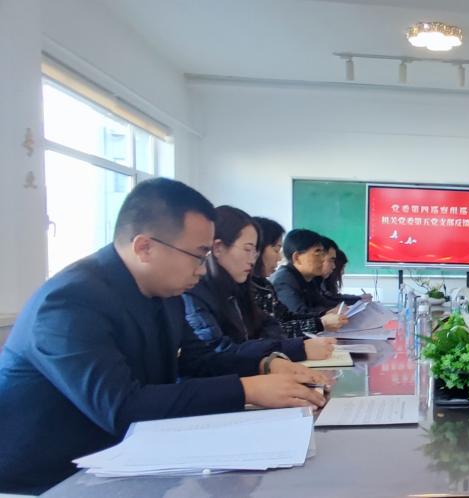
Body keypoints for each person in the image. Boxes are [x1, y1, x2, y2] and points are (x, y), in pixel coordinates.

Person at [0, 179, 328, 493]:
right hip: (50, 480)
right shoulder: (70, 302)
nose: (203, 269)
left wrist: (265, 365)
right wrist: (247, 389)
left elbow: (201, 360)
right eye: (198, 255)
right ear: (144, 247)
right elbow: (122, 408)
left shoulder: (164, 290)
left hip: (128, 462)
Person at [182, 206, 336, 361]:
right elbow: (218, 353)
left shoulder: (240, 286)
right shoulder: (194, 292)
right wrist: (296, 347)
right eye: (247, 249)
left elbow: (271, 325)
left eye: (255, 251)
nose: (253, 259)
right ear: (218, 248)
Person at [251, 217, 346, 338]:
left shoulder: (264, 284)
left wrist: (325, 314)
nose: (279, 258)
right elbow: (275, 331)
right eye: (276, 250)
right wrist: (321, 323)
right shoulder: (283, 280)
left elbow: (287, 317)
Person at [270, 229, 336, 315]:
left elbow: (323, 303)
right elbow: (298, 314)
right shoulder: (283, 280)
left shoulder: (308, 278)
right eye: (317, 253)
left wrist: (337, 309)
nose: (323, 259)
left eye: (323, 254)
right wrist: (326, 314)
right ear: (297, 257)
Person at [317, 237, 371, 306]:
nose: (333, 267)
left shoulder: (323, 284)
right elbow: (331, 300)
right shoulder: (314, 283)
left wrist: (358, 298)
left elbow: (334, 298)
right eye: (342, 268)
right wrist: (358, 298)